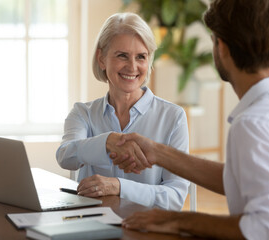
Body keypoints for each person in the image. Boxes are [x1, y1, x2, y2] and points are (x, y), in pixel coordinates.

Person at [113, 0, 269, 239]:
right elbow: (242, 178)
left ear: (221, 47)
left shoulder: (253, 124)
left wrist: (178, 220)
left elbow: (267, 228)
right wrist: (159, 153)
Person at [56, 12, 190, 210]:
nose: (132, 66)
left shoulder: (173, 117)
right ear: (101, 59)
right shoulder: (83, 113)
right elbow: (65, 156)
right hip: (93, 225)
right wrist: (107, 142)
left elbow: (175, 197)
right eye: (122, 56)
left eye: (141, 57)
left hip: (146, 230)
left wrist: (119, 187)